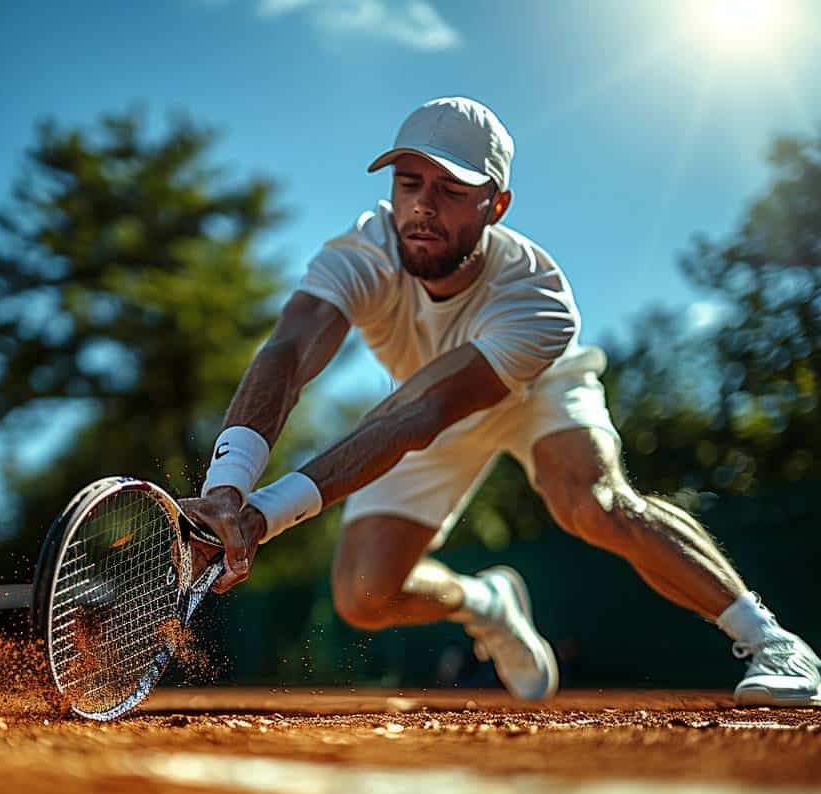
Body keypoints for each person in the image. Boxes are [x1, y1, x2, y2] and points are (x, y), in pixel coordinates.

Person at [182, 96, 821, 708]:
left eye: (452, 190)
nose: (422, 208)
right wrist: (228, 488)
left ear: (497, 204)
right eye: (409, 183)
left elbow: (418, 415)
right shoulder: (363, 252)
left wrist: (264, 516)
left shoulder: (538, 302)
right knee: (363, 597)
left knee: (593, 504)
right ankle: (485, 604)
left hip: (532, 394)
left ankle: (774, 643)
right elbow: (287, 353)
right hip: (422, 406)